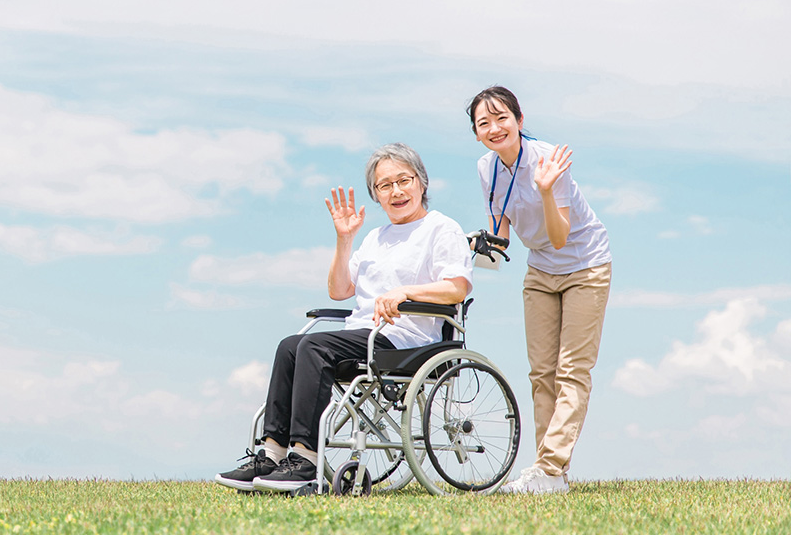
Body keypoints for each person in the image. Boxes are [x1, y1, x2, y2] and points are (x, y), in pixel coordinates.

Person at [214, 142, 474, 493]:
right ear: (376, 195)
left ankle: (305, 458)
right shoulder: (374, 237)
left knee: (315, 346)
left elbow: (457, 287)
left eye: (403, 180)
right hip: (364, 335)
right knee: (291, 345)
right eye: (385, 185)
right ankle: (272, 453)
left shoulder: (441, 229)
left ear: (421, 183)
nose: (396, 191)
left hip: (407, 339)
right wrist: (344, 239)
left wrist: (407, 292)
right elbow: (339, 291)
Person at [467, 86, 612, 494]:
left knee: (572, 370)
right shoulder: (487, 168)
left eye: (502, 118)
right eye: (484, 123)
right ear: (477, 133)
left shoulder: (547, 159)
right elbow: (502, 237)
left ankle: (549, 469)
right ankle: (551, 475)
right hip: (540, 270)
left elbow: (560, 236)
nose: (495, 128)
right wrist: (475, 244)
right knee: (541, 373)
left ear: (519, 120)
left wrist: (546, 189)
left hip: (585, 263)